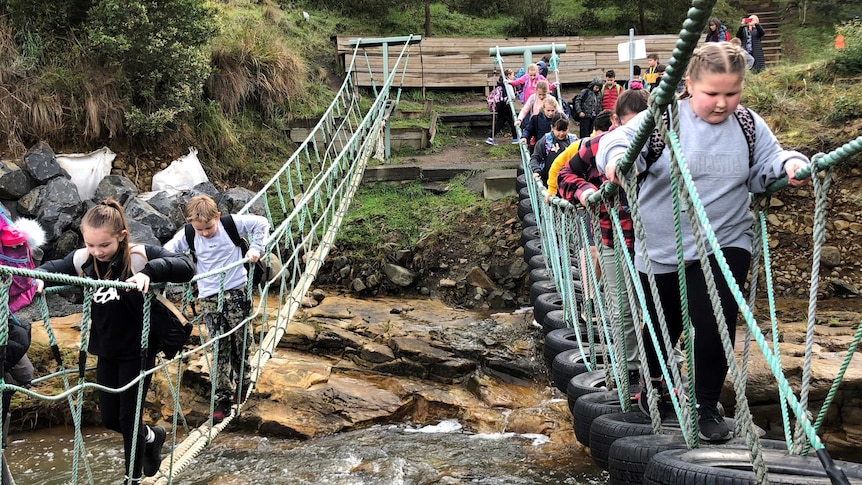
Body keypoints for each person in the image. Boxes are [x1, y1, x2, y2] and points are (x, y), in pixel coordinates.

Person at [597, 42, 809, 442]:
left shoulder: (747, 124)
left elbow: (768, 162)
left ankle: (706, 404)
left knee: (715, 323)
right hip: (663, 247)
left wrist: (789, 164)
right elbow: (618, 143)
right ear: (690, 85)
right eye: (712, 93)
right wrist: (617, 161)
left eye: (732, 93)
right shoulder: (663, 120)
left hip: (725, 239)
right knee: (666, 323)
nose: (722, 103)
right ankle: (655, 382)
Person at [35, 199, 195, 484]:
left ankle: (130, 479)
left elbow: (185, 265)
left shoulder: (138, 257)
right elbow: (54, 265)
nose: (98, 252)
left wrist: (149, 273)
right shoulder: (85, 260)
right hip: (106, 350)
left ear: (121, 237)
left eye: (104, 246)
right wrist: (41, 278)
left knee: (127, 419)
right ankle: (152, 435)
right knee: (109, 418)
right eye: (91, 245)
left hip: (138, 351)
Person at [558, 89, 649, 400]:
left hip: (657, 239)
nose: (635, 134)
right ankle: (628, 372)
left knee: (658, 306)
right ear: (615, 122)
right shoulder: (596, 145)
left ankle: (666, 368)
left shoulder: (661, 143)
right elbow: (564, 174)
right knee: (621, 306)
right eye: (629, 127)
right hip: (615, 236)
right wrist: (584, 192)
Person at [164, 195, 269, 423]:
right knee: (219, 346)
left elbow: (261, 223)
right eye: (199, 229)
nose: (204, 233)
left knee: (242, 341)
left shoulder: (230, 224)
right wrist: (167, 270)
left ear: (217, 217)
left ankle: (243, 380)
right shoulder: (189, 234)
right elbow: (167, 250)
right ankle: (222, 397)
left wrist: (256, 249)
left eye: (208, 227)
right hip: (209, 297)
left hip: (237, 292)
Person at [545, 110, 613, 203]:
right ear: (595, 130)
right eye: (601, 135)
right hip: (583, 195)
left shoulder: (616, 148)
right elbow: (557, 165)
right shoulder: (581, 146)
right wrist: (552, 190)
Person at [529, 116, 577, 188]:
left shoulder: (574, 140)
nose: (561, 134)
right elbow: (535, 158)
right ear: (552, 127)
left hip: (570, 181)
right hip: (550, 181)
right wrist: (536, 171)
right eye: (558, 130)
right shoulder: (545, 141)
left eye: (564, 130)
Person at [487, 69, 517, 145]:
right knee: (512, 121)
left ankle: (491, 137)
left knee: (500, 122)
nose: (514, 76)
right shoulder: (508, 83)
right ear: (509, 75)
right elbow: (512, 96)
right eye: (513, 75)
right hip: (506, 105)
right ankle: (515, 138)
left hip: (501, 104)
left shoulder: (501, 83)